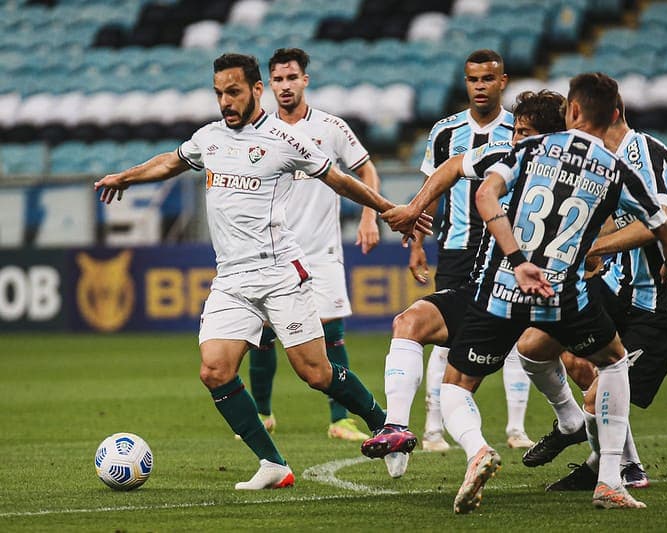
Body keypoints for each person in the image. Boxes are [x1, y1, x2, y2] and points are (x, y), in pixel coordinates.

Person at [93, 53, 431, 490]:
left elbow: (339, 179)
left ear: (256, 90)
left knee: (316, 373)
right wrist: (125, 176)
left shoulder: (283, 139)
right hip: (231, 280)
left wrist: (387, 210)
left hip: (278, 275)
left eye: (233, 91)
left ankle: (388, 427)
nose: (225, 101)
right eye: (218, 93)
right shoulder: (210, 137)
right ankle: (273, 464)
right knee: (214, 370)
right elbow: (170, 161)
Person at [437, 72, 667, 513]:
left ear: (571, 111)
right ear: (613, 115)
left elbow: (485, 198)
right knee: (612, 363)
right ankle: (611, 478)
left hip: (504, 287)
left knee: (456, 387)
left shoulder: (528, 149)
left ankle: (479, 449)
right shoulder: (618, 169)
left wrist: (517, 261)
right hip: (562, 293)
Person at [362, 90, 568, 478]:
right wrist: (414, 208)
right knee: (410, 324)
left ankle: (612, 458)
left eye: (524, 133)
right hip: (488, 292)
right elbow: (453, 166)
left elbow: (484, 195)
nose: (516, 140)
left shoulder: (577, 174)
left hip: (543, 296)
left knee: (588, 366)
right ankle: (398, 427)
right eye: (516, 132)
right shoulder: (505, 157)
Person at [523, 94, 667, 492]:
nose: (573, 126)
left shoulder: (644, 153)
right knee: (535, 345)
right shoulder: (601, 161)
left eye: (579, 117)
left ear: (612, 113)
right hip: (621, 287)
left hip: (663, 301)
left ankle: (617, 466)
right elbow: (608, 217)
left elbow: (656, 225)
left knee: (597, 399)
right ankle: (574, 426)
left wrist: (590, 249)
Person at [240, 47, 381, 443]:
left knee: (330, 332)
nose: (285, 86)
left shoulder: (331, 128)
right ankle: (264, 412)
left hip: (321, 252)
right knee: (264, 333)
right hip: (273, 252)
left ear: (305, 80)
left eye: (292, 78)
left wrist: (369, 215)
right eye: (278, 80)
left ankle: (341, 419)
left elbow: (366, 167)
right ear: (269, 85)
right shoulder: (258, 131)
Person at [409, 49, 535, 452]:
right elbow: (433, 189)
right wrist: (417, 244)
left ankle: (516, 428)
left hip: (505, 248)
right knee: (445, 338)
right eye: (473, 79)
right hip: (457, 247)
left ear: (503, 81)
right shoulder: (445, 132)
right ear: (465, 82)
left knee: (516, 333)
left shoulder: (520, 130)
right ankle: (432, 429)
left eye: (487, 79)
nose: (479, 86)